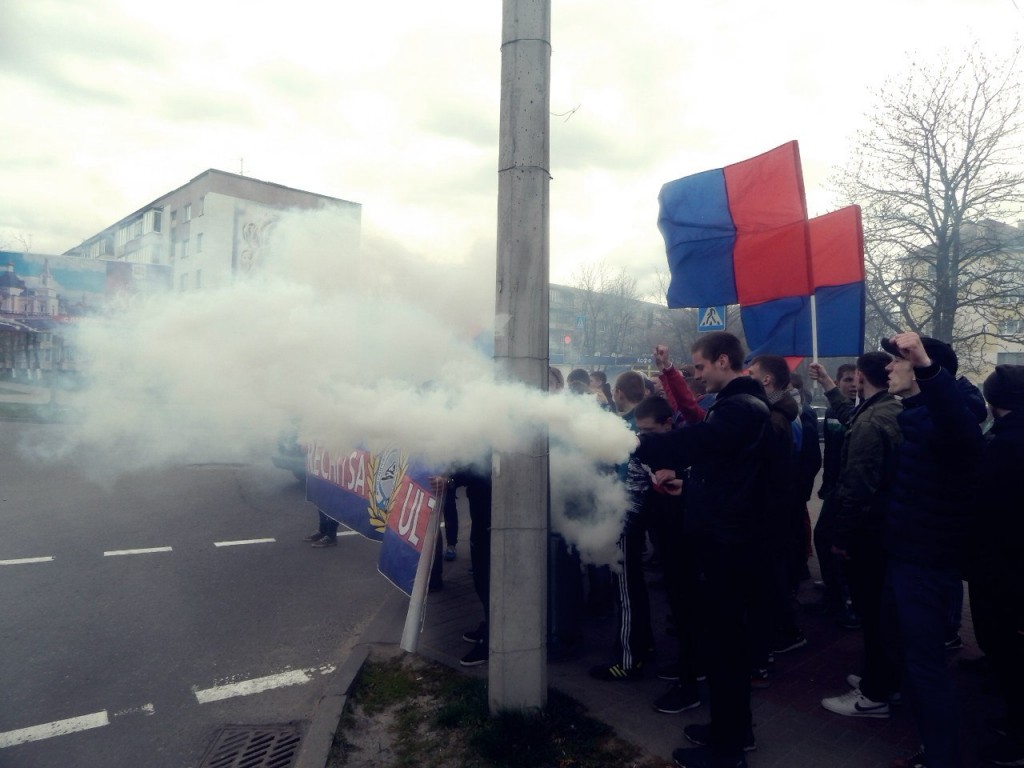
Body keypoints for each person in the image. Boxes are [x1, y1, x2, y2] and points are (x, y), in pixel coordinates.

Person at [635, 331, 771, 768]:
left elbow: (696, 443)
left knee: (726, 647)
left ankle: (728, 750)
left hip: (728, 544)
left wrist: (636, 443)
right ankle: (732, 730)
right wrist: (687, 486)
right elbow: (723, 471)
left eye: (699, 366)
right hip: (727, 536)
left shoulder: (740, 408)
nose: (697, 375)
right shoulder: (737, 405)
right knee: (724, 644)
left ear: (723, 361)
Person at [881, 332, 986, 768]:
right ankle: (932, 746)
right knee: (914, 660)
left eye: (897, 361)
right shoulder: (919, 415)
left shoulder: (946, 421)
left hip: (925, 564)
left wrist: (926, 365)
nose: (888, 367)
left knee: (926, 667)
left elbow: (959, 431)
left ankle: (942, 758)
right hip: (911, 557)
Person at [817, 351, 903, 720]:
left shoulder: (871, 421)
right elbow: (850, 415)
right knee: (881, 613)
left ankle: (873, 695)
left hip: (869, 532)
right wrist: (828, 385)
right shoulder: (890, 409)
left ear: (862, 377)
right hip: (887, 527)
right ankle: (883, 678)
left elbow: (858, 487)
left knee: (872, 613)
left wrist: (842, 536)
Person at [967, 365, 1024, 766]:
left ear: (992, 401)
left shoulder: (1005, 445)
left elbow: (985, 507)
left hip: (1004, 566)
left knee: (1010, 649)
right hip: (1008, 562)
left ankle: (1017, 740)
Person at [746, 355, 807, 688]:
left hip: (769, 514)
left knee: (764, 586)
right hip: (776, 512)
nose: (747, 376)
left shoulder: (775, 420)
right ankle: (780, 637)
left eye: (752, 372)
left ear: (766, 380)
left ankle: (761, 656)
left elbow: (773, 471)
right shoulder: (779, 414)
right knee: (771, 582)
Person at [808, 361, 860, 627]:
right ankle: (833, 590)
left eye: (856, 379)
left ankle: (848, 599)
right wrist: (826, 482)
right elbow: (830, 453)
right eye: (848, 380)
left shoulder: (861, 412)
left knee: (843, 544)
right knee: (824, 539)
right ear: (838, 383)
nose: (853, 385)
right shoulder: (830, 412)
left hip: (850, 491)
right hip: (834, 488)